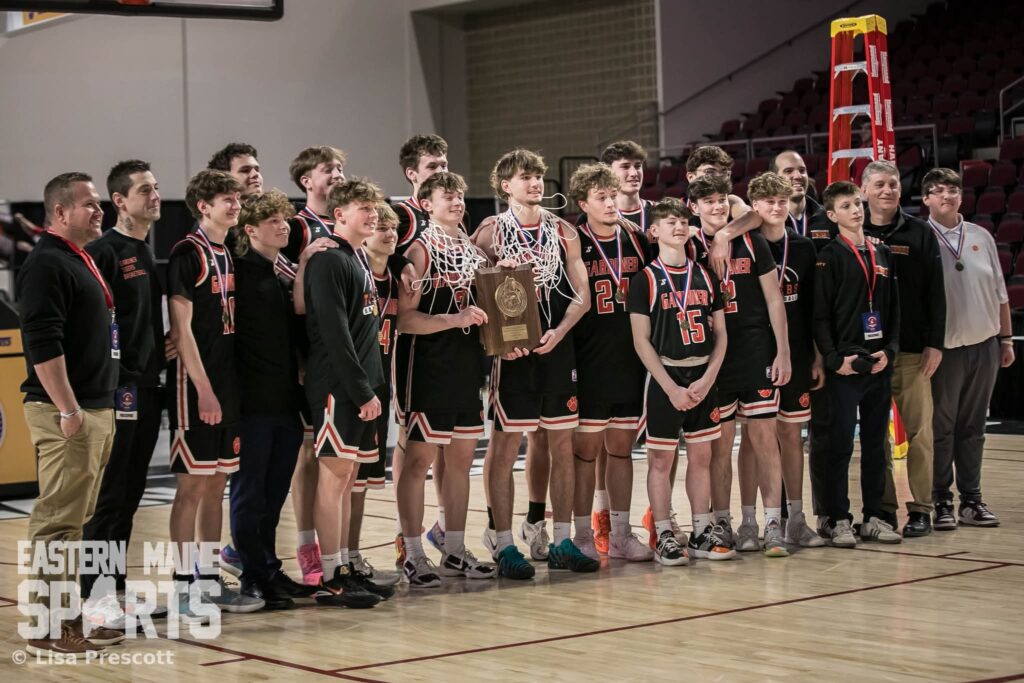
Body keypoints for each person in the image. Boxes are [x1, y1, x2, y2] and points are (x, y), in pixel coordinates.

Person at [472, 149, 595, 577]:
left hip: (556, 347)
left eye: (539, 176)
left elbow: (584, 294)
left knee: (561, 443)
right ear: (506, 185)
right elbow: (473, 293)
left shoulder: (562, 230)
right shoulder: (490, 231)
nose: (536, 183)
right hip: (512, 353)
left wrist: (560, 331)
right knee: (505, 445)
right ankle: (502, 542)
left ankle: (561, 538)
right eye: (526, 177)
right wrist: (498, 342)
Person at [19, 172, 122, 654]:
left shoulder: (75, 258)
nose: (99, 210)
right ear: (60, 213)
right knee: (58, 522)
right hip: (67, 412)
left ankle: (66, 616)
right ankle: (51, 625)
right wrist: (69, 410)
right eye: (89, 204)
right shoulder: (45, 264)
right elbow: (42, 343)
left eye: (99, 203)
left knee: (73, 522)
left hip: (92, 408)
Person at [167, 170, 264, 619]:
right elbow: (182, 332)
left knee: (218, 484)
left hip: (229, 386)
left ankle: (207, 576)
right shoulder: (187, 252)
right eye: (226, 198)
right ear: (203, 205)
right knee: (191, 487)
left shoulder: (226, 251)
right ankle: (184, 584)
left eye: (236, 198)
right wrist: (204, 390)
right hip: (197, 387)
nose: (235, 204)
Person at [228, 190, 330, 610]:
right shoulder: (239, 273)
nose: (283, 226)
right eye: (272, 221)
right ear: (250, 229)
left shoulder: (283, 272)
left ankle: (269, 570)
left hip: (285, 399)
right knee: (249, 493)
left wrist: (304, 265)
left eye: (285, 219)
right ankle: (252, 575)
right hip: (251, 402)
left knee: (273, 495)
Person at [395, 171, 495, 586]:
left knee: (460, 461)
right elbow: (403, 319)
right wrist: (453, 320)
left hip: (466, 368)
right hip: (426, 368)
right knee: (418, 462)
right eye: (446, 196)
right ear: (425, 204)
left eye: (459, 195)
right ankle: (413, 551)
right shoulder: (419, 249)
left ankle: (454, 549)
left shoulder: (472, 249)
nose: (456, 201)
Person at [81, 161, 169, 615]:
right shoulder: (106, 252)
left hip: (149, 388)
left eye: (155, 188)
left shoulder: (147, 252)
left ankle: (113, 589)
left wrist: (162, 348)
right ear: (119, 201)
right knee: (112, 496)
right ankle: (94, 592)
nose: (155, 196)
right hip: (120, 393)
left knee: (131, 496)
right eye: (144, 190)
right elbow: (97, 328)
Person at [687, 175, 792, 557]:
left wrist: (783, 352)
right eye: (708, 202)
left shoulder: (753, 240)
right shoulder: (687, 245)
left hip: (755, 350)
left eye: (721, 200)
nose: (716, 207)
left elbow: (775, 300)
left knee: (765, 440)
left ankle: (770, 523)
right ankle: (723, 523)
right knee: (720, 447)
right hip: (712, 355)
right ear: (693, 207)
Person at [628, 198, 731, 565]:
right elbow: (641, 340)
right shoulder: (645, 280)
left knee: (702, 456)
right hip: (665, 377)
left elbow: (722, 334)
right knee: (660, 460)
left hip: (704, 375)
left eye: (683, 222)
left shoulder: (705, 274)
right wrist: (670, 387)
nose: (679, 227)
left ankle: (702, 530)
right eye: (669, 222)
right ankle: (664, 533)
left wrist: (708, 378)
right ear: (653, 231)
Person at [303, 178, 389, 608]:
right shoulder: (328, 261)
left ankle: (345, 568)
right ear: (339, 214)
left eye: (374, 206)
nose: (372, 213)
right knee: (334, 480)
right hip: (339, 387)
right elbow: (334, 335)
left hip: (362, 385)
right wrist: (359, 389)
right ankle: (332, 576)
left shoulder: (356, 257)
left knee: (349, 478)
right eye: (363, 207)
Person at [922, 168, 1014, 529]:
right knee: (942, 427)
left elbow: (1001, 293)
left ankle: (972, 500)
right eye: (939, 190)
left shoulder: (981, 235)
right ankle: (941, 500)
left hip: (986, 346)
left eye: (954, 190)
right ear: (926, 198)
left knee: (974, 426)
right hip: (945, 350)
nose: (947, 195)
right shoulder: (921, 236)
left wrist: (1005, 339)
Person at [858, 161, 946, 537]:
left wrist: (934, 344)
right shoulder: (850, 231)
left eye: (893, 184)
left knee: (920, 434)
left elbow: (936, 293)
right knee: (875, 436)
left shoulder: (920, 232)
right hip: (869, 355)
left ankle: (922, 509)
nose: (887, 190)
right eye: (879, 184)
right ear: (863, 190)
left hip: (912, 351)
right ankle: (882, 511)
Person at [570, 162, 652, 562]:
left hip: (630, 359)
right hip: (589, 360)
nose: (610, 202)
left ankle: (621, 532)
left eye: (612, 195)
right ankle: (583, 534)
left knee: (621, 449)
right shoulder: (572, 239)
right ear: (583, 202)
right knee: (585, 453)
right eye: (600, 197)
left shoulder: (637, 238)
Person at [813, 181, 902, 547]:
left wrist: (890, 351)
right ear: (832, 216)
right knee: (839, 446)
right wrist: (836, 360)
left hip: (878, 361)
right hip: (845, 366)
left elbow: (894, 310)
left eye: (857, 204)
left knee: (876, 444)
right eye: (846, 206)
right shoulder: (829, 256)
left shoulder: (881, 254)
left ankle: (876, 517)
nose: (856, 210)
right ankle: (837, 518)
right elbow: (819, 316)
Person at [277, 144, 347, 587]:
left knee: (338, 462)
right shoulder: (298, 228)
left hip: (340, 358)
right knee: (309, 454)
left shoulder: (345, 226)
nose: (338, 174)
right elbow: (290, 299)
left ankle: (342, 552)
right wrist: (301, 359)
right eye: (328, 170)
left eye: (341, 167)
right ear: (307, 181)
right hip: (310, 359)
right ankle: (307, 546)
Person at [746, 171, 825, 548]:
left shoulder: (806, 247)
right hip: (755, 354)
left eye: (782, 201)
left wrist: (818, 356)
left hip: (796, 351)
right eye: (769, 202)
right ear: (755, 207)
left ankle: (797, 518)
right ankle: (757, 521)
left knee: (791, 436)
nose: (777, 207)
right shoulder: (746, 245)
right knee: (755, 438)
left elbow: (815, 309)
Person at [392, 134, 450, 565]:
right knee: (409, 440)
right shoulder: (401, 216)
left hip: (450, 347)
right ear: (412, 174)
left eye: (444, 163)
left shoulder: (453, 214)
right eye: (432, 166)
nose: (440, 171)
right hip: (407, 343)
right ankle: (404, 532)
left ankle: (446, 527)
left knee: (446, 443)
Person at [347, 202, 402, 588]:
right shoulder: (353, 271)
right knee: (343, 478)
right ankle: (335, 557)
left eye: (394, 227)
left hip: (381, 387)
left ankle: (352, 553)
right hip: (352, 386)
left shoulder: (397, 278)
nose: (389, 233)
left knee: (363, 480)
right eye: (381, 226)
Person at [769, 150, 822, 239]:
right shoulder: (767, 223)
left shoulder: (826, 217)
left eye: (802, 170)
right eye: (789, 171)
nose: (798, 176)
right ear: (774, 179)